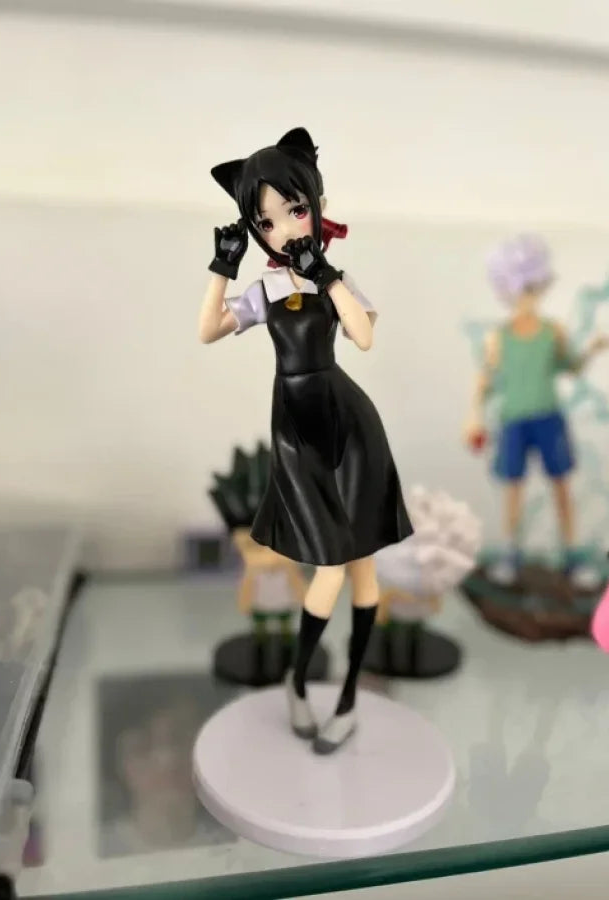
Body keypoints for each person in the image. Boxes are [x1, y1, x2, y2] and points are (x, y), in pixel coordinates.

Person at [199, 127, 413, 753]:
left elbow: (363, 338)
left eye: (295, 210)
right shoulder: (266, 289)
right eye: (266, 221)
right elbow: (209, 329)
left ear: (316, 206)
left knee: (362, 566)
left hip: (350, 426)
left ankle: (346, 697)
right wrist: (223, 266)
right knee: (331, 564)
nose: (284, 228)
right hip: (296, 429)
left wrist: (330, 275)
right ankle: (297, 683)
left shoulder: (331, 280)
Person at [464, 234, 609, 585]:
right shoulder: (498, 337)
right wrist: (472, 417)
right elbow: (484, 381)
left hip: (549, 419)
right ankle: (510, 555)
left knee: (561, 488)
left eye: (533, 289)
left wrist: (592, 348)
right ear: (507, 290)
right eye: (521, 289)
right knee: (513, 491)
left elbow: (571, 367)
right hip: (513, 423)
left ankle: (571, 556)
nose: (527, 297)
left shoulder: (554, 332)